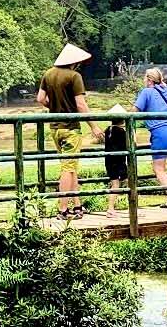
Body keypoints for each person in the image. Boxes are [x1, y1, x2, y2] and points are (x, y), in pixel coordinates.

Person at [37, 43, 103, 220]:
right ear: (74, 62)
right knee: (68, 168)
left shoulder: (48, 74)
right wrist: (93, 126)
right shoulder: (74, 76)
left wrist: (55, 107)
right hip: (71, 129)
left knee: (71, 167)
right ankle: (63, 209)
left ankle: (77, 206)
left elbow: (40, 99)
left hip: (55, 129)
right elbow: (81, 105)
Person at [133, 67, 167, 208]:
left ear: (149, 79)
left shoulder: (146, 92)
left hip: (161, 131)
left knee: (159, 168)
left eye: (145, 78)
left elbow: (135, 111)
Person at [102, 104, 129, 218]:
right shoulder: (121, 131)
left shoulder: (108, 130)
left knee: (115, 184)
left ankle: (111, 208)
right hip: (119, 161)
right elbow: (130, 144)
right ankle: (131, 207)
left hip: (109, 160)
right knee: (128, 183)